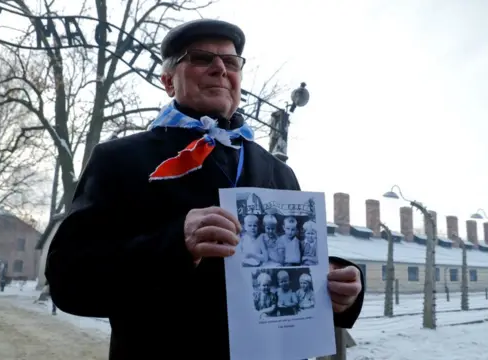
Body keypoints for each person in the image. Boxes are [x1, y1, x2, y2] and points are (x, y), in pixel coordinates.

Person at [45, 18, 365, 359]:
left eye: (230, 62)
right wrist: (176, 246)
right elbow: (69, 281)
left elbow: (294, 271)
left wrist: (339, 287)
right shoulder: (119, 159)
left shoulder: (280, 172)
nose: (219, 68)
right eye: (200, 58)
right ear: (168, 81)